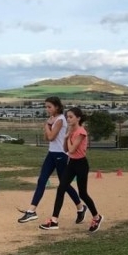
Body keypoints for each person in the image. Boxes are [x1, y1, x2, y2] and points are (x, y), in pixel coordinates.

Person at [17, 96, 87, 224]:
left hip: (61, 154)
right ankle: (31, 211)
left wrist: (47, 125)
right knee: (42, 180)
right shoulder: (51, 119)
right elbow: (46, 137)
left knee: (64, 185)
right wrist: (48, 125)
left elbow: (51, 137)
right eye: (46, 107)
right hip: (51, 153)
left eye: (49, 107)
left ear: (57, 107)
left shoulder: (60, 119)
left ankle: (80, 207)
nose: (47, 109)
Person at [39, 107, 104, 232]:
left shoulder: (81, 132)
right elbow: (65, 150)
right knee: (61, 188)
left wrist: (68, 137)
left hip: (81, 165)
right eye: (67, 117)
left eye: (71, 117)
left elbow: (73, 149)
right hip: (71, 163)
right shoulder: (70, 132)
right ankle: (54, 220)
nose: (68, 119)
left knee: (83, 194)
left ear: (78, 118)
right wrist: (65, 138)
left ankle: (97, 217)